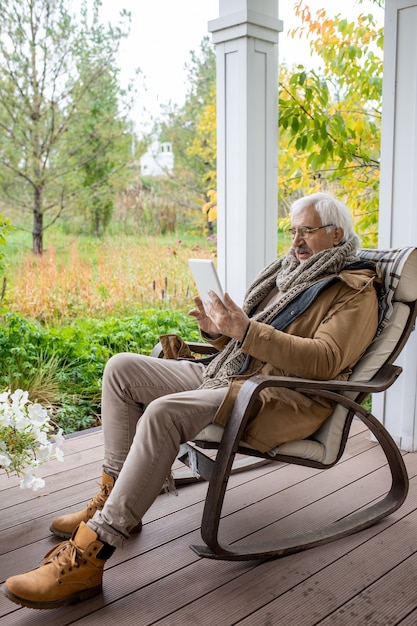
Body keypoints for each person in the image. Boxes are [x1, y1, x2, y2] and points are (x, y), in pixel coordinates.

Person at [1, 192, 380, 610]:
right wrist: (218, 331)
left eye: (306, 231)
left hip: (276, 396)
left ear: (336, 233)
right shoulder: (288, 273)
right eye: (293, 230)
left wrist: (244, 332)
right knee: (121, 368)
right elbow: (247, 338)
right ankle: (112, 497)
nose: (296, 241)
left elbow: (325, 361)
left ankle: (93, 551)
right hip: (233, 373)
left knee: (164, 413)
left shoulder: (355, 291)